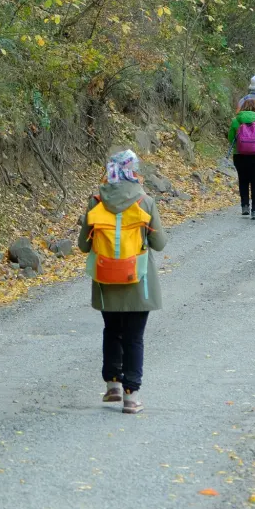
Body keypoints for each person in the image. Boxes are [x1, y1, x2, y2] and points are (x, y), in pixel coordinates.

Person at [77, 149, 168, 414]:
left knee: (112, 330)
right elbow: (159, 244)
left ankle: (113, 385)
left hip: (106, 281)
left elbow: (83, 245)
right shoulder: (145, 201)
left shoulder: (95, 201)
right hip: (138, 282)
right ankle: (131, 396)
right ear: (133, 171)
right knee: (134, 338)